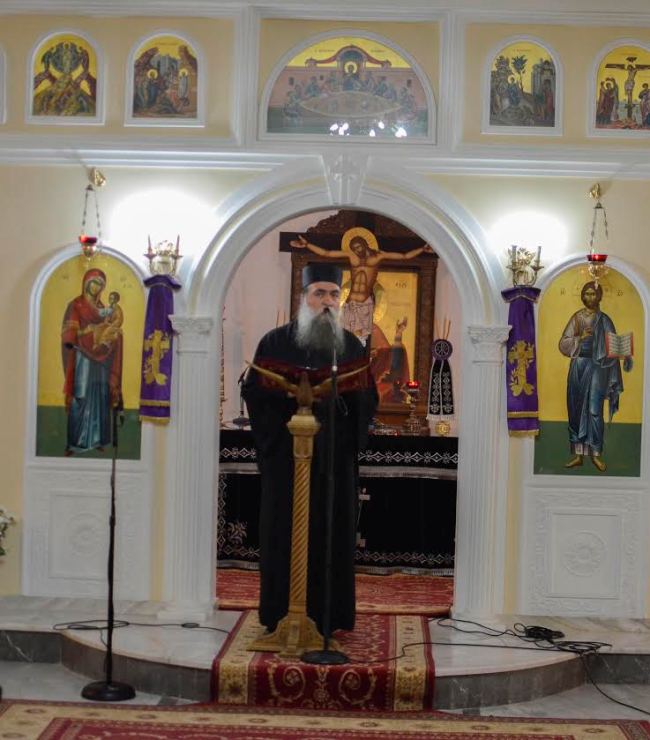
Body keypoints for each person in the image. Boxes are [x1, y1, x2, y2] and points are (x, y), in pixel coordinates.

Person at [241, 263, 377, 635]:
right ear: (304, 298)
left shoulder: (350, 346)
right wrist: (287, 407)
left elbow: (367, 401)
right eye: (319, 293)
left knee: (329, 533)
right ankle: (279, 612)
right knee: (282, 533)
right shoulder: (274, 343)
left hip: (332, 462)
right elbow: (254, 393)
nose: (327, 301)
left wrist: (340, 412)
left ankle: (328, 617)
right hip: (286, 460)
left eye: (333, 294)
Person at [290, 227, 431, 346]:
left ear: (365, 244)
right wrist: (307, 245)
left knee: (360, 342)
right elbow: (327, 253)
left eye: (358, 247)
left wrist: (422, 249)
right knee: (344, 340)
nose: (357, 251)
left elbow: (404, 256)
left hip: (365, 304)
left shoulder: (378, 256)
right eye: (354, 249)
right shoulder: (352, 256)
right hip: (350, 302)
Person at [558, 281, 631, 472]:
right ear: (583, 296)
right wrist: (579, 338)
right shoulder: (577, 318)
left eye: (593, 294)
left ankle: (596, 453)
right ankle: (578, 455)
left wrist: (625, 354)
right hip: (579, 366)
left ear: (599, 296)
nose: (590, 297)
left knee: (594, 410)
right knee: (575, 409)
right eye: (587, 294)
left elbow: (613, 345)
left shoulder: (604, 320)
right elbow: (563, 344)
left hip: (598, 368)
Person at [61, 269, 123, 455]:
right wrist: (88, 331)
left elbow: (111, 325)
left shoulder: (103, 308)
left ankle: (97, 439)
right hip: (82, 357)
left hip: (100, 359)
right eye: (94, 283)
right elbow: (69, 335)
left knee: (100, 396)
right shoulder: (76, 305)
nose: (96, 287)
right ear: (86, 283)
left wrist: (112, 335)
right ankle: (74, 443)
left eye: (100, 285)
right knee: (80, 396)